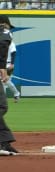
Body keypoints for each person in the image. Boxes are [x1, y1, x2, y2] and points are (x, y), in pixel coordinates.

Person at [0, 15, 18, 156]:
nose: (8, 28)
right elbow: (3, 43)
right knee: (2, 106)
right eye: (7, 25)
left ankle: (4, 142)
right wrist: (2, 67)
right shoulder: (4, 33)